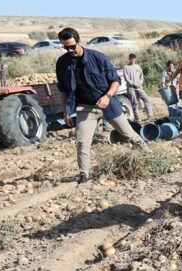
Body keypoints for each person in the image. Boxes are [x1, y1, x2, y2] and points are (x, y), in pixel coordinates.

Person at [55, 27, 148, 184]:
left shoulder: (98, 57)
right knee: (82, 141)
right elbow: (63, 90)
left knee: (129, 134)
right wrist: (66, 112)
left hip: (109, 104)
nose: (69, 50)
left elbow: (115, 81)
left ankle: (149, 156)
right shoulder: (62, 63)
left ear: (79, 42)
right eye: (65, 47)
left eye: (72, 46)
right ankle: (84, 175)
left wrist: (107, 96)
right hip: (86, 108)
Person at [123, 53, 154, 121]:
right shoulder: (126, 67)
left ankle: (150, 116)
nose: (132, 61)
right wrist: (134, 83)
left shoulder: (138, 67)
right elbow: (126, 79)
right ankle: (137, 118)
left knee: (146, 99)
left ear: (135, 59)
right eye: (131, 59)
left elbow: (141, 77)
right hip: (131, 88)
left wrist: (140, 83)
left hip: (139, 87)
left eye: (133, 59)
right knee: (135, 102)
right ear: (129, 59)